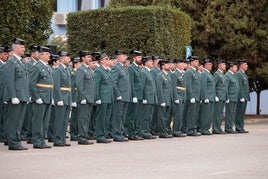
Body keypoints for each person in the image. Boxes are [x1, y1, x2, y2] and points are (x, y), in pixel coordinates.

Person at [4, 38, 29, 150]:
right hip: (15, 96)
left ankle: (16, 140)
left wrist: (26, 95)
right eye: (21, 47)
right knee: (13, 120)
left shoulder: (21, 62)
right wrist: (13, 96)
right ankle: (12, 142)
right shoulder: (11, 61)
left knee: (19, 120)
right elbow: (9, 80)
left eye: (24, 47)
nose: (23, 49)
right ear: (15, 48)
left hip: (22, 95)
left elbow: (24, 81)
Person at [29, 46, 53, 149]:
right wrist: (37, 97)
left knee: (45, 121)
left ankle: (42, 140)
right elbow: (32, 83)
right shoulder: (36, 66)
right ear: (41, 55)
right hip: (40, 97)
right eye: (47, 54)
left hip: (47, 96)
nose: (49, 55)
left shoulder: (47, 67)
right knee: (38, 120)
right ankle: (37, 141)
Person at [94, 53, 114, 143]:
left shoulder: (107, 71)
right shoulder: (99, 70)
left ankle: (104, 134)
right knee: (101, 117)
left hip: (108, 97)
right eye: (106, 59)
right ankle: (100, 136)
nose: (108, 60)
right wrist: (97, 97)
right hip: (102, 97)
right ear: (101, 61)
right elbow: (96, 85)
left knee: (106, 117)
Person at [111, 50, 130, 142]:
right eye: (123, 55)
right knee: (117, 116)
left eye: (125, 55)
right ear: (118, 57)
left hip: (125, 96)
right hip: (120, 96)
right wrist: (117, 94)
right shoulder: (116, 68)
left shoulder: (124, 68)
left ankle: (121, 133)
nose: (125, 57)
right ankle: (117, 134)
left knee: (123, 116)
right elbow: (113, 82)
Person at [76, 51, 95, 145]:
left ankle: (85, 135)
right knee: (83, 118)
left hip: (90, 98)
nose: (90, 58)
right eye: (88, 57)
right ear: (82, 58)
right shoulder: (81, 70)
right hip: (85, 98)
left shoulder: (89, 70)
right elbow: (79, 85)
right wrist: (82, 97)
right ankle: (82, 137)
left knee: (87, 118)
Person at [53, 51, 72, 146]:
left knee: (65, 121)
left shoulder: (67, 69)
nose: (69, 59)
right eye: (67, 57)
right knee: (59, 120)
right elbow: (56, 86)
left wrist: (70, 99)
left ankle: (63, 139)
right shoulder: (58, 69)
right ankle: (57, 140)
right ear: (61, 58)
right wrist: (59, 99)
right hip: (61, 98)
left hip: (67, 97)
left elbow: (69, 87)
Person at [126, 50, 144, 140]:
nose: (140, 59)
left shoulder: (139, 68)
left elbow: (141, 83)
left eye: (140, 57)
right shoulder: (131, 68)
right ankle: (131, 133)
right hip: (135, 95)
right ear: (134, 58)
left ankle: (137, 132)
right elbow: (131, 83)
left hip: (140, 95)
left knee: (138, 116)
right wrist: (133, 95)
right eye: (138, 57)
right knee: (132, 116)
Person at [25, 44, 39, 144]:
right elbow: (29, 80)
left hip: (37, 92)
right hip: (31, 93)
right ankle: (30, 135)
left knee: (35, 116)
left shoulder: (36, 64)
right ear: (33, 53)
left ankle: (33, 135)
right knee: (32, 116)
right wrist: (29, 94)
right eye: (38, 52)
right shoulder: (30, 64)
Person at [140, 56, 157, 139]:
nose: (152, 63)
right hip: (147, 98)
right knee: (145, 116)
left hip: (151, 98)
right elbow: (142, 86)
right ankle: (144, 131)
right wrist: (143, 98)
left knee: (149, 116)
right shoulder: (144, 72)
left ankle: (148, 130)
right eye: (150, 62)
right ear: (146, 63)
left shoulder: (150, 72)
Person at [184, 56, 201, 136]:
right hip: (192, 97)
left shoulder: (195, 72)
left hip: (197, 97)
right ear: (192, 62)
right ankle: (190, 130)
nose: (198, 63)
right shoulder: (189, 72)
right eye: (196, 61)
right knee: (191, 114)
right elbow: (188, 85)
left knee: (195, 114)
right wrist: (191, 96)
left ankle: (193, 128)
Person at [156, 59, 173, 138]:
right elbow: (159, 89)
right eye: (167, 65)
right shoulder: (160, 75)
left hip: (168, 99)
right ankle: (162, 132)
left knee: (166, 117)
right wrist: (161, 100)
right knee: (162, 117)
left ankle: (165, 130)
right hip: (163, 100)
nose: (168, 66)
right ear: (162, 66)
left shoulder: (167, 75)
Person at [171, 59, 187, 137]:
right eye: (181, 63)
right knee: (178, 115)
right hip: (178, 96)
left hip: (183, 96)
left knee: (181, 115)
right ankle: (175, 130)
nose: (183, 65)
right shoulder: (175, 74)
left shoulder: (182, 74)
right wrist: (175, 97)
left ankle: (179, 129)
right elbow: (173, 87)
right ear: (177, 65)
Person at [199, 58, 215, 135]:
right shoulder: (204, 74)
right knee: (205, 114)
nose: (211, 66)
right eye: (209, 64)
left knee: (209, 115)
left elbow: (212, 86)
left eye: (211, 64)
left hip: (211, 97)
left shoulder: (209, 73)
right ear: (205, 65)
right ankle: (204, 129)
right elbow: (203, 86)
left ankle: (207, 128)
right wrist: (205, 97)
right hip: (207, 97)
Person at [47, 54, 60, 143]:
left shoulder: (58, 70)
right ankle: (50, 135)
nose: (59, 62)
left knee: (55, 117)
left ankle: (54, 134)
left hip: (56, 96)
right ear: (54, 62)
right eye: (58, 61)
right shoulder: (52, 70)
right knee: (51, 118)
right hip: (52, 96)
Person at [213, 59, 227, 134]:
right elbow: (213, 86)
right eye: (223, 64)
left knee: (221, 113)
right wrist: (215, 96)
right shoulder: (217, 74)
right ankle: (215, 128)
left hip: (223, 97)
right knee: (217, 113)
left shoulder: (223, 74)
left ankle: (219, 127)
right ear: (219, 65)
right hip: (218, 97)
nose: (225, 66)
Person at [235, 59, 250, 133]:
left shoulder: (243, 74)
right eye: (245, 64)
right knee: (239, 113)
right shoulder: (239, 74)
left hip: (245, 96)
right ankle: (238, 127)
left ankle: (241, 127)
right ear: (241, 65)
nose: (247, 66)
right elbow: (239, 87)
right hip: (241, 97)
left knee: (242, 113)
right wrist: (241, 96)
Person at [225, 62, 239, 134]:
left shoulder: (234, 75)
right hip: (230, 97)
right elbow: (226, 87)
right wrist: (227, 97)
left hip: (234, 97)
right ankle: (228, 128)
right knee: (229, 113)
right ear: (231, 68)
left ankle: (230, 127)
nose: (236, 68)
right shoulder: (227, 75)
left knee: (233, 113)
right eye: (235, 67)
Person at [69, 57, 81, 141]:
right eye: (80, 63)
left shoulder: (79, 73)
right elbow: (73, 88)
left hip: (79, 97)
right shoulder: (73, 73)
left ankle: (77, 133)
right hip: (75, 97)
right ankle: (73, 134)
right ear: (76, 64)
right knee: (74, 117)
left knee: (78, 117)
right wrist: (73, 100)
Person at [150, 56, 161, 135]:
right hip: (155, 93)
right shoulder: (153, 71)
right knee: (153, 113)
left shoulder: (158, 70)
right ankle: (153, 128)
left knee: (157, 113)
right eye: (157, 61)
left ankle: (156, 128)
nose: (159, 62)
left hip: (157, 94)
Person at [0, 46, 8, 143]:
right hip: (1, 93)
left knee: (3, 116)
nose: (6, 56)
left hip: (3, 94)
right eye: (5, 54)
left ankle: (2, 134)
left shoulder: (4, 64)